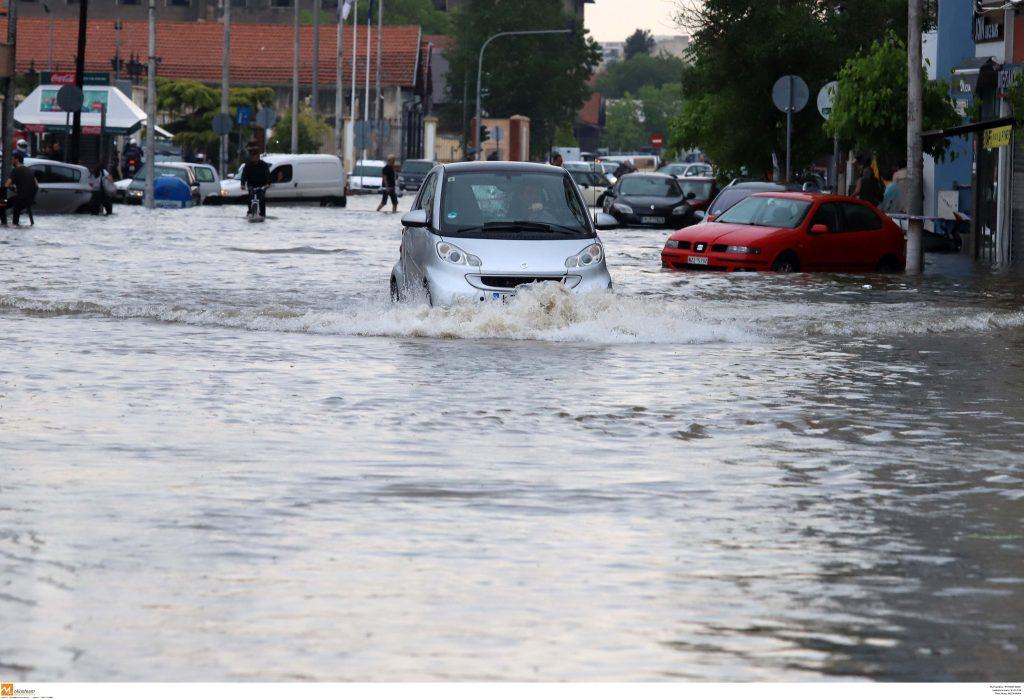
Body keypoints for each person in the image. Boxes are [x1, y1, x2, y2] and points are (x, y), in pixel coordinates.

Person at [4, 152, 38, 226]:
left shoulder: (15, 170)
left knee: (2, 205)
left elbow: (6, 185)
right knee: (16, 205)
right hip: (30, 199)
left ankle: (4, 225)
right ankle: (15, 224)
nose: (11, 161)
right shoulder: (30, 170)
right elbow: (36, 186)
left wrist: (12, 188)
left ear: (17, 160)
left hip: (20, 199)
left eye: (12, 159)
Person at [239, 146, 271, 218]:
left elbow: (268, 175)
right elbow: (244, 175)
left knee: (262, 197)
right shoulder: (248, 165)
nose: (254, 158)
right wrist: (242, 184)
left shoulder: (264, 165)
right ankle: (250, 211)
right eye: (252, 156)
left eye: (255, 156)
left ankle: (262, 214)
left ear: (258, 157)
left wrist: (267, 184)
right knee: (250, 196)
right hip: (251, 185)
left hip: (262, 185)